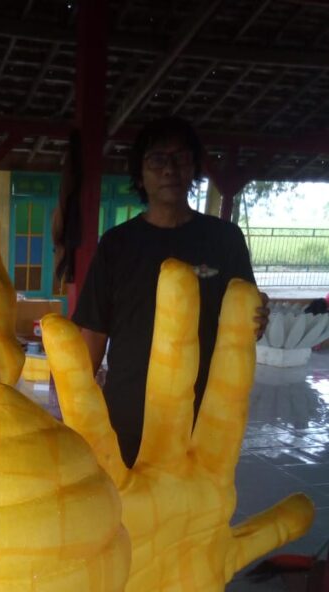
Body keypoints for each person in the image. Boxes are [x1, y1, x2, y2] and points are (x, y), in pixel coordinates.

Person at [73, 116, 269, 470]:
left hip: (206, 413)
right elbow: (93, 330)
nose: (170, 169)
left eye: (180, 158)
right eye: (157, 160)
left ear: (193, 167)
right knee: (126, 517)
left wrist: (258, 317)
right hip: (130, 412)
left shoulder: (224, 240)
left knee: (196, 516)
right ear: (141, 173)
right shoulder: (117, 245)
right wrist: (79, 408)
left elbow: (247, 324)